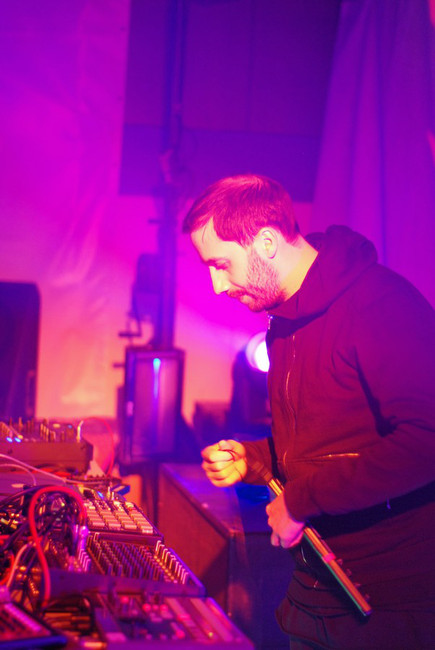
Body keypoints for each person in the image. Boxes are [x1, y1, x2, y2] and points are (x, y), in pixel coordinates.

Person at [182, 173, 435, 649]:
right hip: (313, 596)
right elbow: (327, 441)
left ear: (267, 242)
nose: (216, 286)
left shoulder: (381, 305)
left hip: (386, 610)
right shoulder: (283, 322)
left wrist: (301, 501)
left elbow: (427, 439)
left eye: (221, 264)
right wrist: (255, 459)